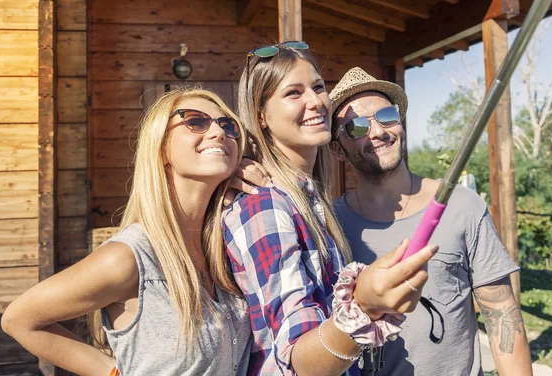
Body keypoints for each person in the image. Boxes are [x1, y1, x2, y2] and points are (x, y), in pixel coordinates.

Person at [222, 42, 439, 376]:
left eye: (318, 87)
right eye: (293, 93)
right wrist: (364, 308)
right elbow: (299, 361)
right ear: (261, 115)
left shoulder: (309, 201)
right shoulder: (266, 205)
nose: (315, 101)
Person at [1, 88, 252, 375]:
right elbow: (19, 319)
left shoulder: (227, 249)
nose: (219, 132)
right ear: (161, 148)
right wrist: (112, 372)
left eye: (228, 124)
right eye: (195, 121)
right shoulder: (130, 257)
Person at [330, 67, 532, 375]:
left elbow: (502, 311)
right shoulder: (330, 225)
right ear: (337, 149)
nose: (378, 131)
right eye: (356, 127)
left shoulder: (461, 206)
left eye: (387, 115)